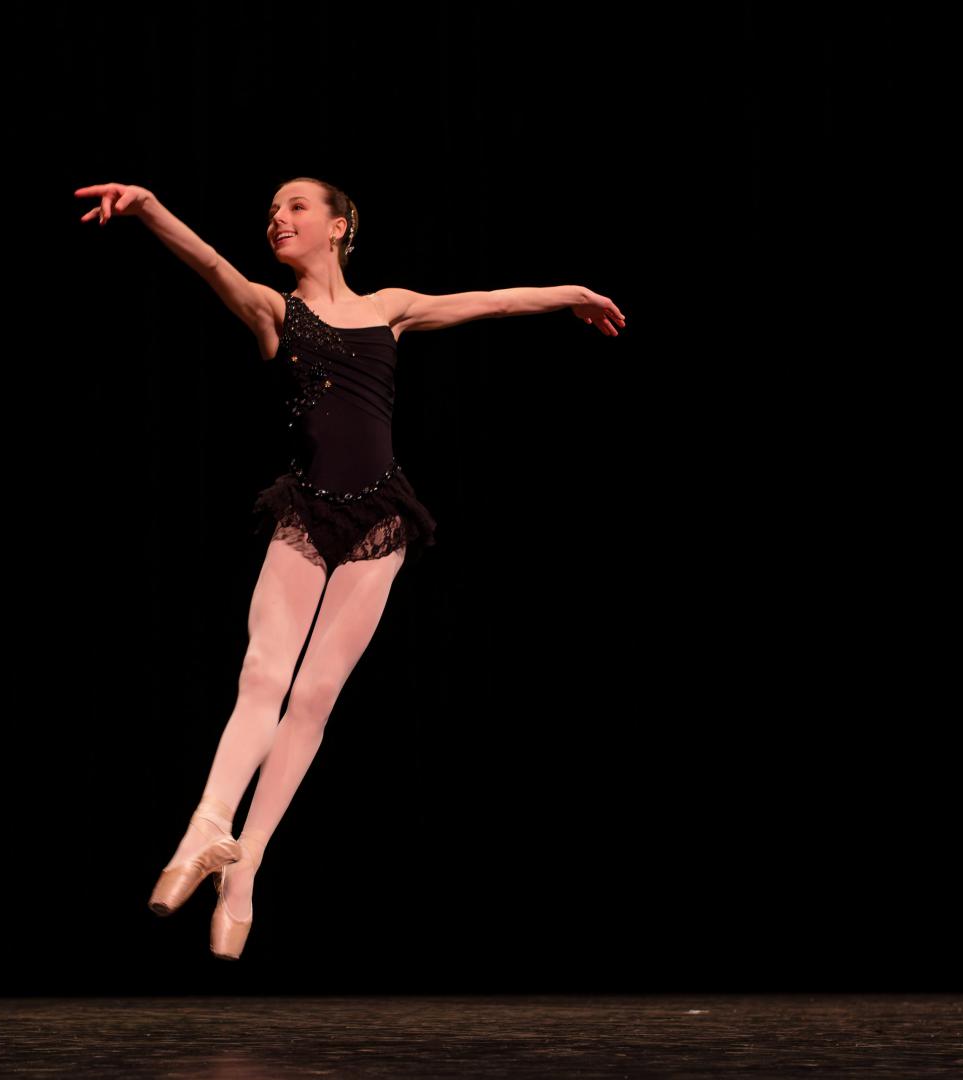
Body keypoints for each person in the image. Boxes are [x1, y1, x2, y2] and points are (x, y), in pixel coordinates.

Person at [74, 177, 626, 959]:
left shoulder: (388, 308)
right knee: (264, 674)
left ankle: (245, 867)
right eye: (272, 210)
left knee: (314, 698)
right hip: (307, 511)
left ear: (338, 226)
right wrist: (149, 208)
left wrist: (571, 293)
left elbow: (493, 301)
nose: (278, 218)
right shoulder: (272, 310)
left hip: (381, 518)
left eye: (296, 206)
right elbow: (209, 263)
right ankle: (208, 824)